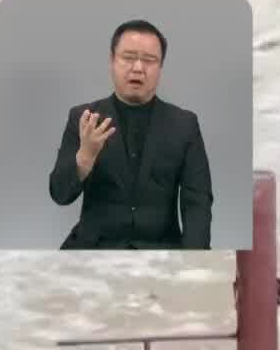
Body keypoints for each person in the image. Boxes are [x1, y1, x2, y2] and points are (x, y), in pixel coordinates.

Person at [47, 19, 214, 249]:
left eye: (149, 60)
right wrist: (84, 158)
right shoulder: (85, 118)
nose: (138, 68)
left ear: (160, 67)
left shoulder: (184, 124)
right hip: (94, 250)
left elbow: (197, 202)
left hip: (160, 251)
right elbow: (59, 194)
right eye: (128, 58)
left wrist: (194, 260)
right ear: (112, 61)